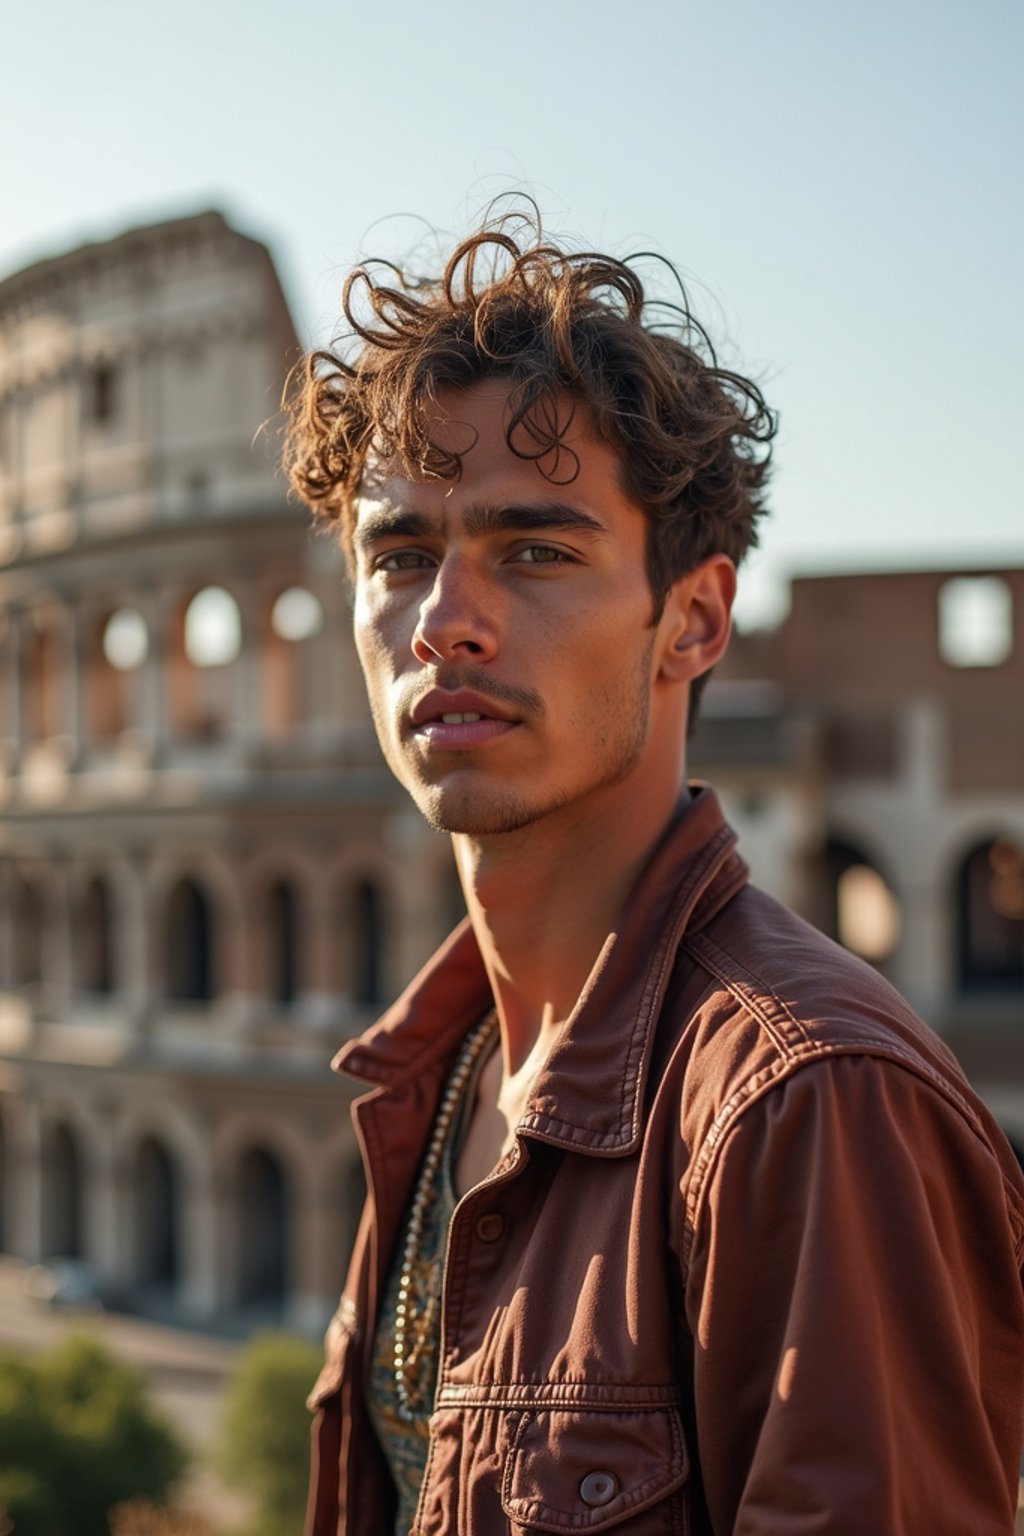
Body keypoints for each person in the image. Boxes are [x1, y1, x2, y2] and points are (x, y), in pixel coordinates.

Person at [284, 210, 1024, 1535]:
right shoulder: (440, 1067)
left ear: (692, 619)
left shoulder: (809, 1107)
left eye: (537, 550)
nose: (444, 618)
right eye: (399, 555)